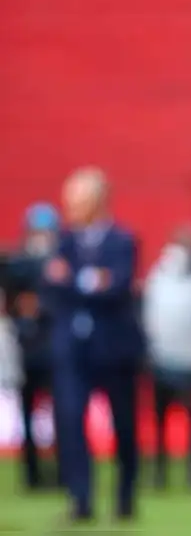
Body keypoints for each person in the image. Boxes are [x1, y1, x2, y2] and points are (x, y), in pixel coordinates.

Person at [43, 168, 143, 522]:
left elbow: (116, 286)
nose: (69, 208)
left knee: (124, 426)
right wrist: (89, 281)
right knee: (70, 423)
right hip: (72, 350)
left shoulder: (122, 240)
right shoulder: (62, 243)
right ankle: (80, 500)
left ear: (98, 201)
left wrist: (74, 279)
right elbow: (52, 286)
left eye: (77, 201)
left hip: (115, 350)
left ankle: (125, 498)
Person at [143, 228, 191, 491]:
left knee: (166, 423)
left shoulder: (156, 280)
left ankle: (164, 476)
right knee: (186, 423)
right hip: (183, 361)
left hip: (164, 359)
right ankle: (189, 476)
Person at [7, 203, 61, 490]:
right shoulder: (19, 264)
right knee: (27, 415)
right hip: (27, 351)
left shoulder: (59, 263)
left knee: (60, 414)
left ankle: (61, 470)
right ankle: (32, 474)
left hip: (53, 349)